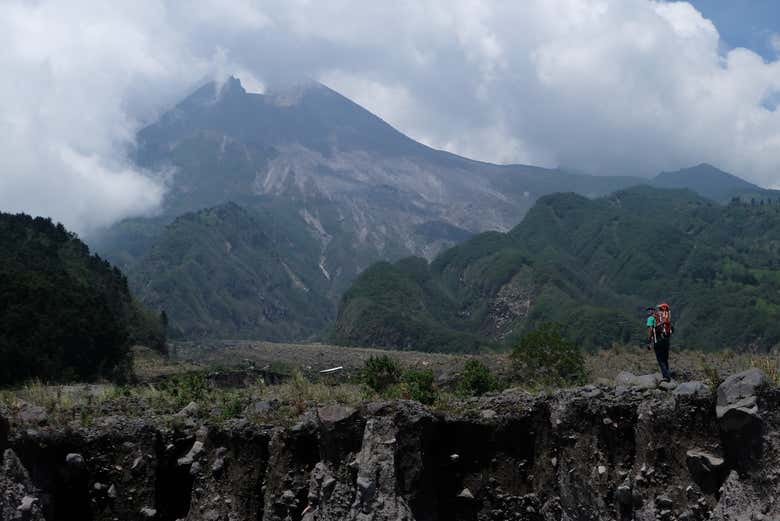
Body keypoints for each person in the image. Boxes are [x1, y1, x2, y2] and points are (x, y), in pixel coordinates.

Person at [646, 305, 672, 381]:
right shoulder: (662, 318)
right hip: (666, 340)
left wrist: (648, 342)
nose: (648, 312)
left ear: (652, 311)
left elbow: (650, 331)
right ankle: (667, 374)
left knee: (660, 360)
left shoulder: (650, 318)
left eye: (649, 310)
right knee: (665, 359)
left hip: (658, 341)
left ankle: (666, 377)